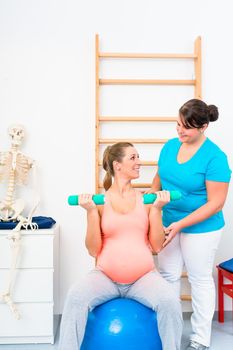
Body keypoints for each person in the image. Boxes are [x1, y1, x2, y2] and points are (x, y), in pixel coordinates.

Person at [59, 142, 183, 350]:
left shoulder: (145, 200)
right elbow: (93, 250)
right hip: (105, 277)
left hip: (143, 278)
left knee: (170, 302)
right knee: (75, 297)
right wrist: (90, 212)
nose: (139, 162)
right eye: (133, 158)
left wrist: (157, 208)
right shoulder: (100, 202)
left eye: (138, 157)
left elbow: (156, 245)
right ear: (118, 165)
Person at [149, 99, 231, 350]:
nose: (180, 130)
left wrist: (181, 224)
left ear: (204, 126)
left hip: (202, 228)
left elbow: (215, 203)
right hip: (168, 222)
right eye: (177, 124)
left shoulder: (215, 157)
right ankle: (170, 331)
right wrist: (153, 209)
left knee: (199, 279)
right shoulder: (169, 147)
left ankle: (199, 339)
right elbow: (158, 181)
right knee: (167, 276)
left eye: (187, 127)